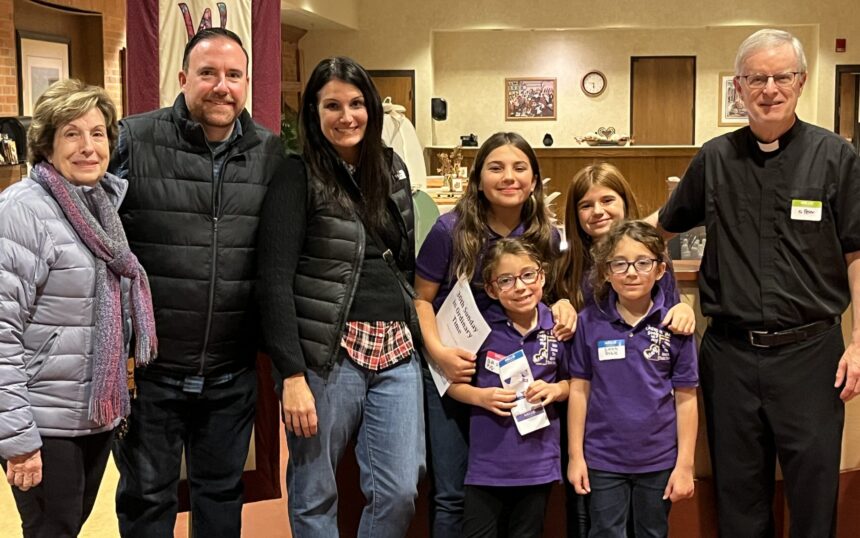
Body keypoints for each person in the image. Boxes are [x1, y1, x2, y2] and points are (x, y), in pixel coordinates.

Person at [646, 28, 860, 536]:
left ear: (801, 82)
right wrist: (608, 238)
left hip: (812, 356)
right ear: (738, 88)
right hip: (731, 355)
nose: (769, 88)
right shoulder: (716, 157)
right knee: (739, 500)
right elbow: (663, 225)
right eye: (756, 78)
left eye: (781, 76)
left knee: (813, 496)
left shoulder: (837, 158)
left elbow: (856, 251)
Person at [110, 28, 286, 537]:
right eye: (208, 73)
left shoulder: (271, 156)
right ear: (183, 78)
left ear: (248, 83)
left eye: (233, 75)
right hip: (149, 374)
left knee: (221, 498)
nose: (221, 86)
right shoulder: (133, 140)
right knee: (147, 502)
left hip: (231, 376)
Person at [257, 56, 424, 537]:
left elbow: (405, 261)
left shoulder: (391, 168)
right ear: (314, 112)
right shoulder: (296, 175)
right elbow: (273, 280)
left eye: (356, 103)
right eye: (332, 105)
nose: (346, 116)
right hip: (326, 356)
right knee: (315, 492)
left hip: (396, 349)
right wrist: (291, 375)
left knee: (400, 491)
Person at [0, 79, 157, 537]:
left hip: (92, 412)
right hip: (44, 418)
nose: (89, 147)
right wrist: (19, 440)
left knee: (67, 526)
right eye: (72, 133)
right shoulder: (21, 211)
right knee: (53, 528)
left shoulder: (102, 204)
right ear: (46, 144)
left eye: (98, 133)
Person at [414, 131, 575, 536]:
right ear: (478, 178)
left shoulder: (548, 236)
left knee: (520, 493)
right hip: (457, 370)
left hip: (516, 374)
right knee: (452, 492)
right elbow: (420, 300)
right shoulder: (449, 231)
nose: (509, 177)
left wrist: (565, 303)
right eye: (496, 167)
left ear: (535, 179)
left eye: (520, 167)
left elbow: (551, 293)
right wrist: (437, 353)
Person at [552, 162, 695, 537]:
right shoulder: (565, 262)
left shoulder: (650, 259)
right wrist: (557, 305)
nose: (597, 211)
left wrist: (684, 308)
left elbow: (671, 315)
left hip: (650, 439)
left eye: (607, 200)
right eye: (586, 204)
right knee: (590, 522)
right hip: (587, 413)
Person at [448, 238, 570, 538]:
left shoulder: (557, 326)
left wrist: (556, 390)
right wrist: (479, 397)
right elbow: (450, 383)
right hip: (487, 463)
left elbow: (575, 383)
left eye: (529, 275)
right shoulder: (479, 327)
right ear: (491, 288)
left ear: (542, 276)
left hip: (538, 463)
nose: (520, 287)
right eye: (506, 280)